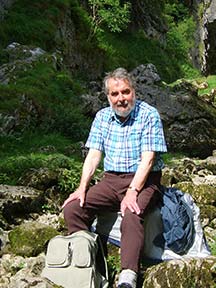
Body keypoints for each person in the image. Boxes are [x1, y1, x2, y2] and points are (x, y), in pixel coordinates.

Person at [62, 67, 167, 288]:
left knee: (131, 211)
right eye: (115, 94)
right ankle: (91, 262)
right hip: (110, 180)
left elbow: (148, 160)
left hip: (144, 179)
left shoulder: (149, 114)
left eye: (125, 92)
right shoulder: (102, 117)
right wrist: (82, 188)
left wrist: (132, 192)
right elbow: (93, 156)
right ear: (108, 96)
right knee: (73, 208)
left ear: (134, 91)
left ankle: (128, 275)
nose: (121, 98)